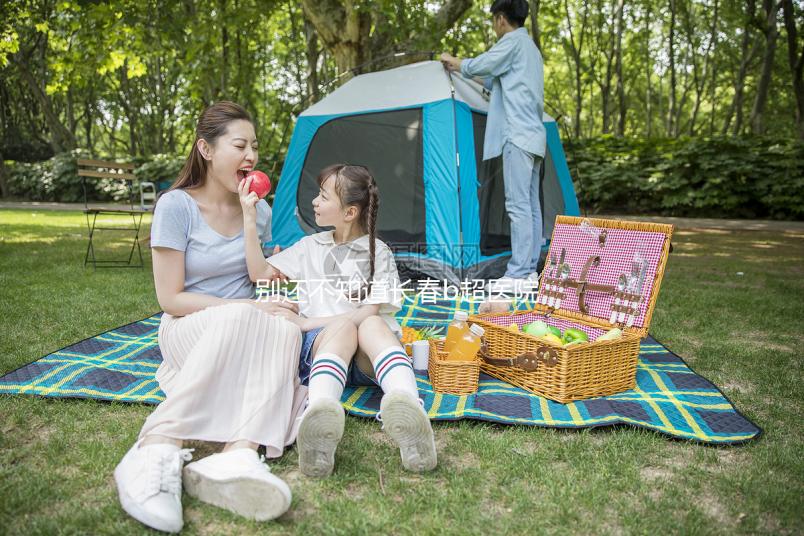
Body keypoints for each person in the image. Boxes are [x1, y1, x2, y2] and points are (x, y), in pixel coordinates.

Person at [114, 102, 306, 533]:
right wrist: (248, 308)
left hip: (247, 327)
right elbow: (171, 298)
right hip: (188, 326)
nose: (251, 155)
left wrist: (273, 292)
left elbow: (258, 280)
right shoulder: (176, 206)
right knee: (244, 318)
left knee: (286, 332)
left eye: (254, 146)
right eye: (239, 145)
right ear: (206, 149)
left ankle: (239, 454)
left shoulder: (260, 210)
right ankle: (155, 447)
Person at [238, 163, 437, 478]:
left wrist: (307, 321)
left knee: (372, 322)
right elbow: (259, 273)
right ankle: (319, 416)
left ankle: (407, 406)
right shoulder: (309, 247)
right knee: (343, 328)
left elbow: (369, 311)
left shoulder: (378, 252)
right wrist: (249, 219)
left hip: (370, 362)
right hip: (327, 352)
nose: (315, 201)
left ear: (349, 212)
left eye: (323, 196)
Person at [441, 0, 545, 291]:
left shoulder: (512, 43)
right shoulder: (530, 50)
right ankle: (529, 270)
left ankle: (518, 273)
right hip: (534, 137)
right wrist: (463, 71)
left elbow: (481, 64)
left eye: (494, 20)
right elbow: (492, 79)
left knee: (518, 206)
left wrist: (454, 61)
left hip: (518, 135)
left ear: (501, 19)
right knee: (531, 206)